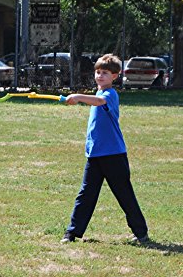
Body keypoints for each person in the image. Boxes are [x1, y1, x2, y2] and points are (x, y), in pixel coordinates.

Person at [61, 54, 149, 244]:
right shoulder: (98, 94)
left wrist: (77, 97)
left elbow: (99, 102)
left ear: (115, 76)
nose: (100, 76)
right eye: (98, 72)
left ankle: (141, 233)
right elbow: (95, 101)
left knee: (124, 194)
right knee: (86, 194)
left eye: (105, 73)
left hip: (114, 156)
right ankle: (72, 233)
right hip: (95, 155)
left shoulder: (109, 95)